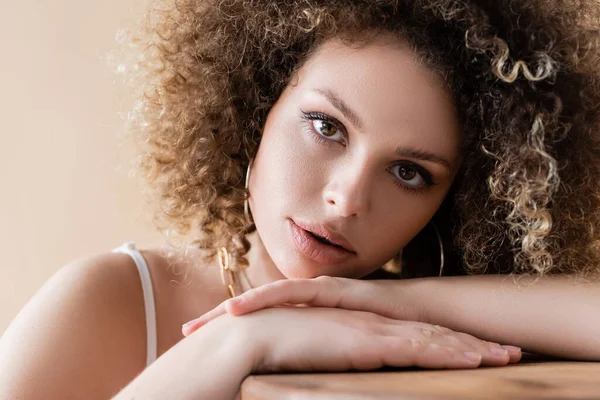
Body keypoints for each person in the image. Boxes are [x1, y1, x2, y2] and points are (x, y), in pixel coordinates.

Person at [1, 0, 599, 398]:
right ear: (256, 107)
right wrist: (240, 339)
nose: (346, 200)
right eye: (326, 126)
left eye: (409, 172)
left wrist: (402, 301)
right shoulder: (109, 300)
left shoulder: (403, 325)